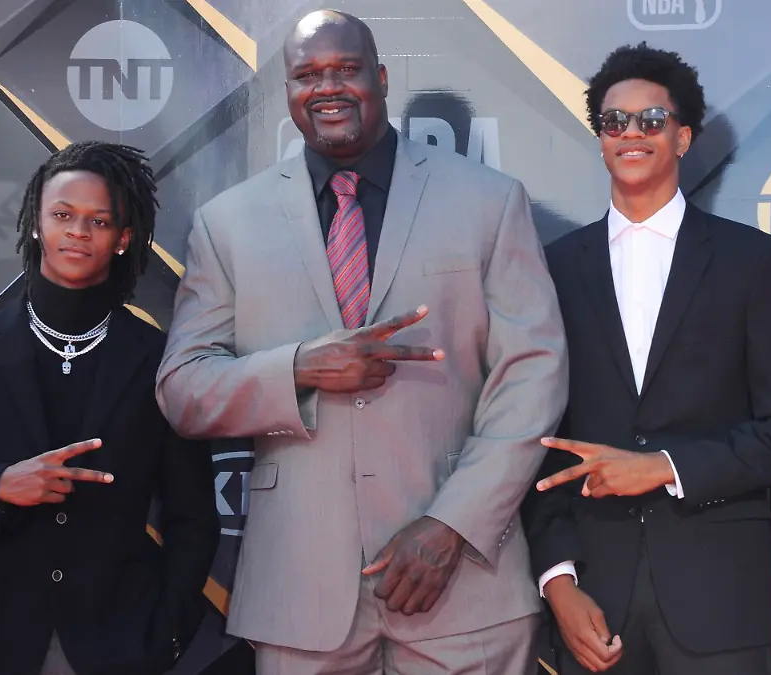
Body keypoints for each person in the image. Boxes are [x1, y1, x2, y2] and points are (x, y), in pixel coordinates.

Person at [154, 10, 567, 675]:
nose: (327, 88)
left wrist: (454, 524)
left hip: (464, 589)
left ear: (379, 77)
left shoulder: (488, 201)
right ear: (285, 92)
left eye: (345, 70)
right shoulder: (227, 223)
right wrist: (299, 368)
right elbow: (183, 390)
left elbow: (534, 376)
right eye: (306, 75)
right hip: (300, 597)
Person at [521, 42, 771, 675]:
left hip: (721, 603)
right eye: (615, 122)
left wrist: (663, 466)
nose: (632, 134)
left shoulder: (753, 261)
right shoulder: (551, 269)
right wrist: (557, 580)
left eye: (651, 120)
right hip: (592, 604)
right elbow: (536, 439)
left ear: (683, 137)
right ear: (600, 138)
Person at [0, 141, 219, 675]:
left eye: (99, 220)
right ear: (34, 224)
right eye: (63, 215)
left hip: (119, 646)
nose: (78, 230)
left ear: (123, 238)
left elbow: (193, 518)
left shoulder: (159, 362)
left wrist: (167, 631)